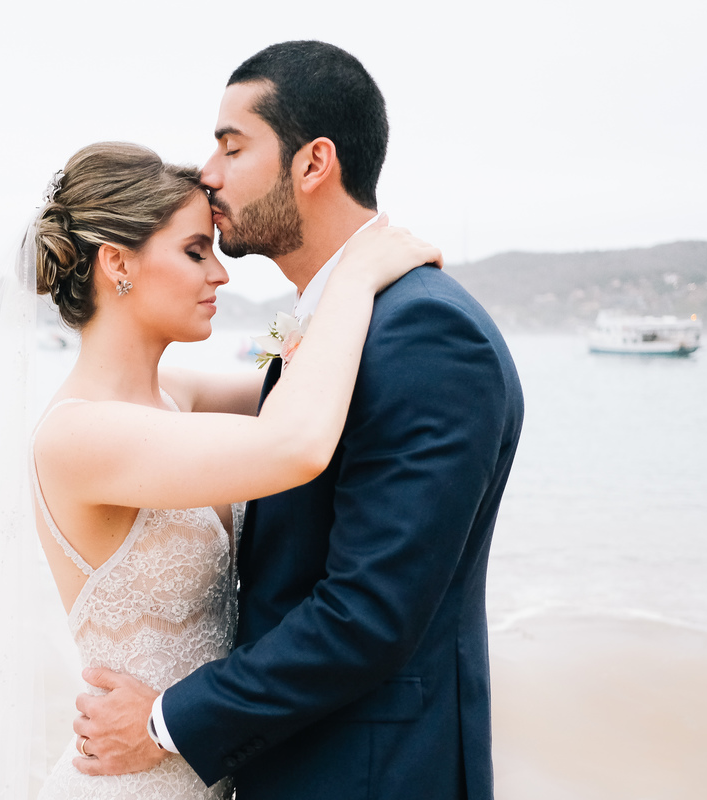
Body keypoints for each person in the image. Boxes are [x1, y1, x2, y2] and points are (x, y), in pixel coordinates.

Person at [73, 42, 524, 800]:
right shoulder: (328, 324)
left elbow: (369, 614)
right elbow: (259, 400)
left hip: (369, 775)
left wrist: (165, 724)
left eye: (232, 144)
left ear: (313, 163)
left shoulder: (425, 335)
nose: (208, 173)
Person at [29, 141, 440, 800]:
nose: (220, 275)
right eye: (195, 251)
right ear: (118, 264)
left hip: (209, 767)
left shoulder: (175, 395)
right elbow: (296, 443)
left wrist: (337, 285)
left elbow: (308, 392)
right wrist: (355, 279)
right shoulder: (79, 435)